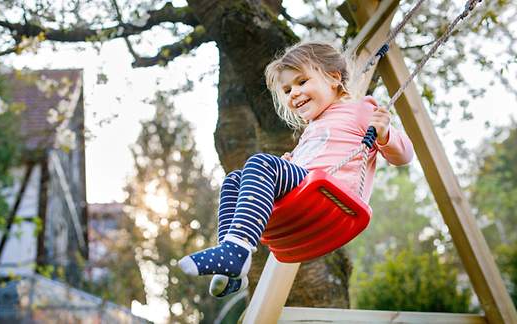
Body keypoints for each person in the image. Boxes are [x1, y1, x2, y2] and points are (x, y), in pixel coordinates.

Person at [178, 41, 415, 298]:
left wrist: (384, 134)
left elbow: (404, 155)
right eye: (287, 89)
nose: (293, 93)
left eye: (302, 82)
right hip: (304, 196)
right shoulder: (310, 130)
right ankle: (231, 262)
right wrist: (291, 164)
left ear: (334, 78)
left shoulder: (359, 110)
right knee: (235, 179)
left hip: (333, 198)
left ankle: (236, 251)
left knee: (261, 163)